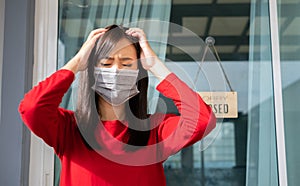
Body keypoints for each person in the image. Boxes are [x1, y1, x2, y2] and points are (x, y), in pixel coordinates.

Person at [19, 25, 216, 186]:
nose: (116, 70)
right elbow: (32, 107)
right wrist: (78, 62)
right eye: (106, 63)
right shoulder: (69, 129)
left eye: (126, 63)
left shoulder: (154, 131)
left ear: (139, 73)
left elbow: (202, 120)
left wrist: (155, 65)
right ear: (91, 71)